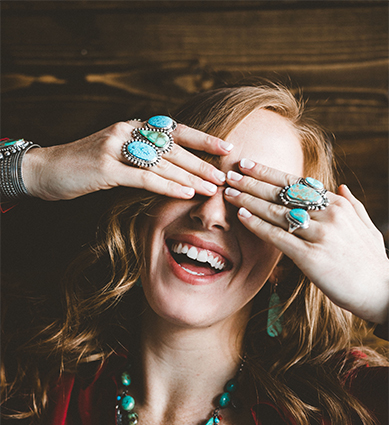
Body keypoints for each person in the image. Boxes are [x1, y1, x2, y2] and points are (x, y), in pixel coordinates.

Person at [1, 83, 388, 425]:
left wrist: (384, 297)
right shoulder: (30, 374)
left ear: (285, 261)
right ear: (143, 200)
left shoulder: (351, 403)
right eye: (193, 174)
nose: (210, 214)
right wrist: (32, 170)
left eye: (254, 200)